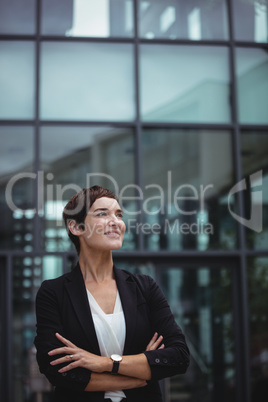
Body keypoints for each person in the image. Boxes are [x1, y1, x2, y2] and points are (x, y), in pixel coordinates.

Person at [34, 185, 190, 402]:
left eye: (119, 215)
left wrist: (105, 363)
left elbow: (179, 356)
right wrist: (137, 374)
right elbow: (57, 370)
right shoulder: (54, 293)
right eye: (102, 214)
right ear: (76, 227)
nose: (116, 222)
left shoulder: (145, 287)